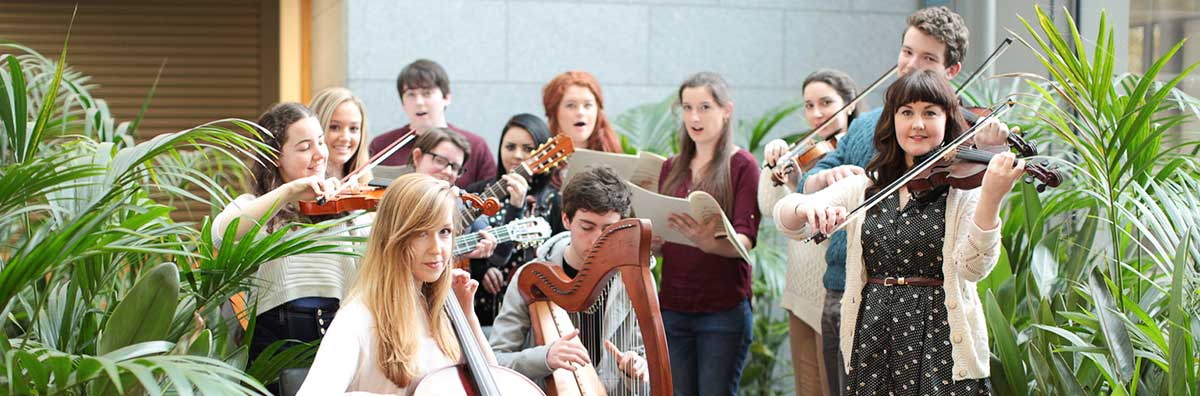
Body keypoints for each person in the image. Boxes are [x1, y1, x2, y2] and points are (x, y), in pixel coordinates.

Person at [774, 69, 1022, 395]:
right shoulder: (866, 186)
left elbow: (972, 268)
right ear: (892, 121)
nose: (917, 124)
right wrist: (805, 209)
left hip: (941, 340)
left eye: (930, 113)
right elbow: (786, 217)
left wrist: (991, 197)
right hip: (873, 337)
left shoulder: (963, 188)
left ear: (948, 120)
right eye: (907, 112)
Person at [793, 7, 985, 394]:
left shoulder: (959, 135)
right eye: (907, 51)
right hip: (846, 293)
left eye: (928, 58)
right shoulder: (866, 126)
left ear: (952, 70)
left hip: (928, 317)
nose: (911, 64)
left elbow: (976, 242)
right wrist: (821, 181)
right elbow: (807, 184)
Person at [297, 173, 491, 395]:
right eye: (421, 233)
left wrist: (468, 317)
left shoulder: (442, 309)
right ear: (393, 237)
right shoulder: (359, 317)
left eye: (444, 231)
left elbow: (494, 381)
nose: (437, 248)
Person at [212, 103, 372, 369]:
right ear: (276, 156)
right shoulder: (257, 205)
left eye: (320, 142)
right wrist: (290, 191)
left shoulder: (347, 205)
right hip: (277, 338)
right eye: (304, 147)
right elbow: (220, 235)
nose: (320, 154)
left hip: (340, 333)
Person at [489, 164, 650, 394]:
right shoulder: (531, 278)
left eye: (608, 230)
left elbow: (645, 373)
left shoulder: (633, 280)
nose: (597, 240)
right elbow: (494, 360)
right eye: (587, 227)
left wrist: (634, 371)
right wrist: (545, 357)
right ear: (566, 219)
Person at [654, 72, 760, 396]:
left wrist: (709, 243)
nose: (694, 117)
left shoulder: (742, 165)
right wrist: (656, 243)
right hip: (673, 307)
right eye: (687, 107)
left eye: (704, 107)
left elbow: (745, 240)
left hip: (723, 312)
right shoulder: (670, 167)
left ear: (726, 110)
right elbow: (665, 237)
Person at [760, 69, 863, 396]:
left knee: (831, 387)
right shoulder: (804, 154)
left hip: (830, 290)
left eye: (826, 103)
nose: (817, 113)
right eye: (809, 105)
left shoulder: (855, 153)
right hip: (798, 288)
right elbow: (767, 207)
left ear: (849, 105)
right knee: (806, 389)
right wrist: (774, 167)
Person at [465, 113, 563, 325]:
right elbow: (462, 236)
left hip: (529, 308)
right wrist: (482, 269)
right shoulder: (478, 192)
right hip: (477, 307)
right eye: (510, 147)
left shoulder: (554, 202)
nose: (517, 155)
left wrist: (516, 207)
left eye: (528, 149)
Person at [368, 59, 496, 188]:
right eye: (411, 94)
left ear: (446, 98)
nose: (419, 102)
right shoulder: (382, 145)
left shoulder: (476, 146)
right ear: (403, 102)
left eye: (427, 93)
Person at [541, 70, 622, 187]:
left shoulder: (613, 155)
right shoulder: (539, 162)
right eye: (571, 105)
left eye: (588, 105)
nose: (580, 112)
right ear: (554, 112)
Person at [309, 87, 371, 187]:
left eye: (353, 128)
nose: (345, 138)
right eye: (334, 127)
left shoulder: (366, 186)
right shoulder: (303, 186)